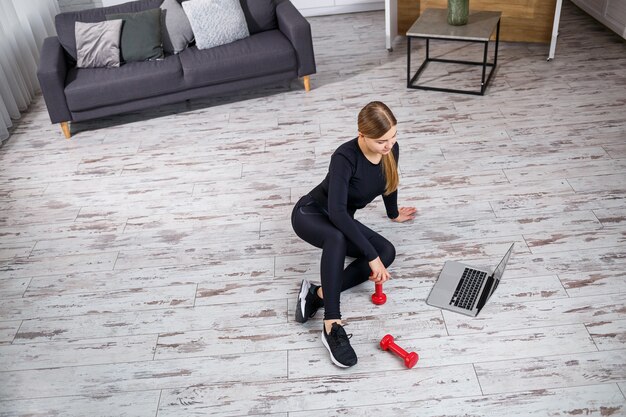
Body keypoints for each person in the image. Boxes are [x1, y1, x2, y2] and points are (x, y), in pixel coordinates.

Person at [291, 101, 417, 368]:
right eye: (382, 139)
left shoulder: (390, 150)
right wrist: (370, 257)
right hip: (311, 214)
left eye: (394, 136)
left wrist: (393, 214)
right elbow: (336, 213)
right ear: (362, 135)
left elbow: (389, 183)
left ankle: (318, 294)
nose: (389, 144)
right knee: (337, 239)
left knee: (388, 251)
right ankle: (331, 325)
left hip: (340, 220)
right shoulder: (344, 157)